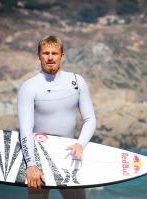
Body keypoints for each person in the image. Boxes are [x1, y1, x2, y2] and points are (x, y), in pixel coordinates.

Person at [17, 35, 96, 199]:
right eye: (46, 53)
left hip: (68, 158)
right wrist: (31, 165)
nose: (50, 57)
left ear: (62, 55)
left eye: (54, 53)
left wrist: (80, 144)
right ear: (39, 56)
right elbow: (25, 128)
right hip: (38, 159)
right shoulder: (29, 87)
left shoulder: (77, 81)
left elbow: (90, 119)